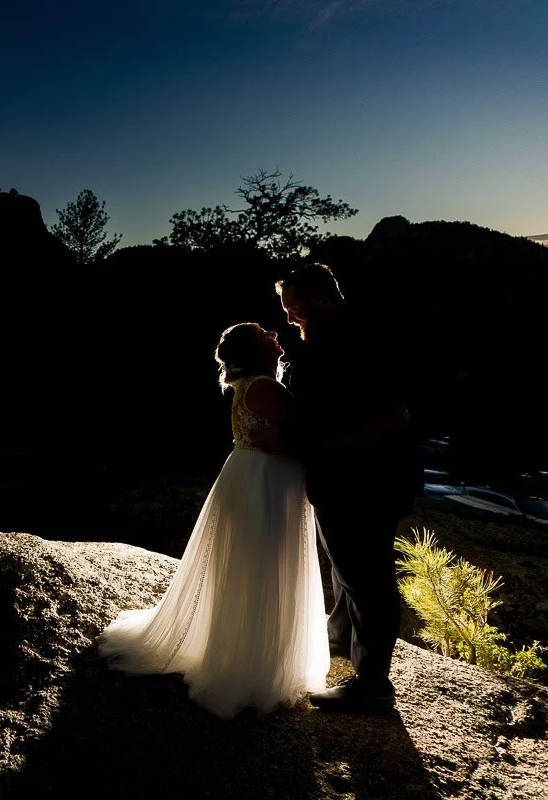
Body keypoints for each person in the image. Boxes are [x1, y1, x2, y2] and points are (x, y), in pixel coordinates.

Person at [97, 322, 329, 720]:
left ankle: (246, 647)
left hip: (252, 477)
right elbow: (312, 427)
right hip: (265, 483)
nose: (274, 334)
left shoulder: (251, 385)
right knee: (264, 566)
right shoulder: (264, 387)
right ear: (254, 351)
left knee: (251, 565)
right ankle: (253, 661)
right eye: (263, 334)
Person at [275, 263, 415, 712]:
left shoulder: (353, 340)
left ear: (319, 298)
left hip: (362, 480)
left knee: (367, 578)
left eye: (295, 306)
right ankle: (339, 636)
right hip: (342, 478)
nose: (290, 316)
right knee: (344, 566)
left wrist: (326, 445)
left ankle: (372, 684)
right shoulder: (335, 336)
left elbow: (389, 416)